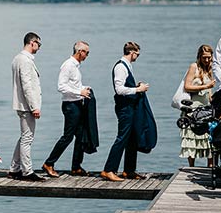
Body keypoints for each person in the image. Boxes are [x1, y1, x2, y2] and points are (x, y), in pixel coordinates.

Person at [42, 41, 91, 178]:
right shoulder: (68, 65)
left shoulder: (76, 67)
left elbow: (74, 85)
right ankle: (49, 163)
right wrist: (79, 92)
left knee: (81, 135)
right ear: (80, 51)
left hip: (77, 104)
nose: (87, 55)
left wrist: (84, 89)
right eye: (87, 52)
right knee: (67, 137)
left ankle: (76, 167)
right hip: (70, 106)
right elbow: (61, 86)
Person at [101, 42, 149, 182]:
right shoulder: (120, 67)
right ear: (132, 52)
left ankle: (129, 170)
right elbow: (119, 89)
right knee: (122, 137)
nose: (137, 57)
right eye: (137, 54)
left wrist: (135, 86)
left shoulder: (128, 66)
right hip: (124, 108)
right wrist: (137, 90)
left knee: (132, 138)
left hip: (130, 107)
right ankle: (109, 169)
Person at [9, 32, 44, 182]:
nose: (39, 47)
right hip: (26, 105)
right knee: (27, 139)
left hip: (21, 104)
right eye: (39, 44)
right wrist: (34, 106)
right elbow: (26, 86)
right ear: (32, 43)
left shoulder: (17, 58)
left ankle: (14, 168)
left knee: (24, 137)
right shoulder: (25, 60)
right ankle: (27, 171)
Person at [179, 45, 215, 167]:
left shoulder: (209, 69)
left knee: (208, 140)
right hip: (192, 109)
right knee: (191, 140)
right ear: (199, 56)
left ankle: (210, 166)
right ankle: (191, 166)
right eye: (204, 58)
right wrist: (205, 87)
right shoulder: (194, 67)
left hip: (206, 109)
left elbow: (210, 91)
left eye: (209, 58)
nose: (206, 60)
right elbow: (187, 86)